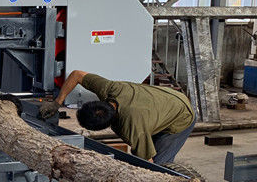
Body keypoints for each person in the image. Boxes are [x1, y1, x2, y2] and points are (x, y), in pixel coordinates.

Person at [41, 70, 195, 164]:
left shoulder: (132, 127)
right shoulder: (110, 89)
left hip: (181, 115)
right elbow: (77, 75)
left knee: (158, 169)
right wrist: (57, 103)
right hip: (168, 98)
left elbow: (148, 161)